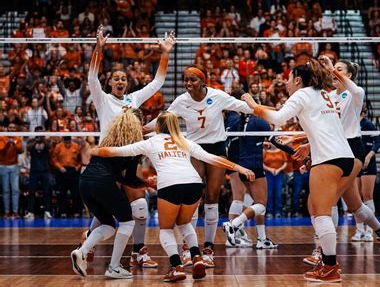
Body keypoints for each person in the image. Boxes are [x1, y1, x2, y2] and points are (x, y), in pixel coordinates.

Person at [91, 111, 255, 282]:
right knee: (184, 223)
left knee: (166, 229)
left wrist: (95, 150)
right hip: (194, 184)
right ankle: (196, 257)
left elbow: (118, 151)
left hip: (170, 184)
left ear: (157, 126)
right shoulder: (185, 142)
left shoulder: (151, 142)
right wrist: (239, 168)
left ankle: (176, 266)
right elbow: (213, 158)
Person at [241, 60, 357, 283]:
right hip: (343, 156)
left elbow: (277, 119)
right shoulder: (322, 93)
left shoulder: (302, 94)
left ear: (297, 79)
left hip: (329, 158)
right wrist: (307, 145)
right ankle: (326, 261)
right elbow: (324, 128)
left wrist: (252, 104)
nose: (285, 81)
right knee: (314, 207)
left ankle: (331, 267)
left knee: (321, 212)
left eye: (288, 77)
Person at [82, 25, 175, 267]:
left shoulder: (133, 99)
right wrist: (99, 49)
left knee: (141, 205)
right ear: (110, 82)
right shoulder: (103, 99)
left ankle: (138, 252)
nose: (120, 81)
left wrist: (165, 52)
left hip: (131, 156)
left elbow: (158, 82)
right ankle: (88, 241)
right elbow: (92, 77)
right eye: (116, 78)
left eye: (123, 78)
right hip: (108, 158)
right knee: (108, 207)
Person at [144, 64, 254, 268]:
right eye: (185, 79)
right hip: (194, 149)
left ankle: (209, 249)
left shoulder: (217, 96)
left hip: (216, 149)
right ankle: (188, 249)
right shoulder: (181, 101)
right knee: (194, 200)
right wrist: (141, 129)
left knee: (212, 198)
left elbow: (246, 108)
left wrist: (269, 109)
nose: (188, 83)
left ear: (203, 81)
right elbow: (162, 121)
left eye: (192, 79)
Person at [294, 57, 380, 265]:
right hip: (333, 149)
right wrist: (307, 144)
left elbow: (356, 90)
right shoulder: (329, 95)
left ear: (348, 75)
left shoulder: (353, 94)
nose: (333, 71)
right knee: (355, 205)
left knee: (323, 201)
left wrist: (333, 69)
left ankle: (321, 253)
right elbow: (326, 127)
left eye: (339, 69)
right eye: (333, 69)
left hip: (352, 150)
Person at [70, 109, 153, 279]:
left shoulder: (109, 139)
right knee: (128, 222)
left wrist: (144, 184)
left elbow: (117, 176)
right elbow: (129, 179)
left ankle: (82, 251)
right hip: (102, 183)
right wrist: (148, 183)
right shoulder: (135, 145)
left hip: (84, 181)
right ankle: (114, 267)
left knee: (107, 225)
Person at [223, 88, 278, 249]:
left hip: (236, 161)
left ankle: (260, 237)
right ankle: (234, 229)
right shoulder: (237, 118)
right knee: (243, 199)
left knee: (252, 201)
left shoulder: (230, 117)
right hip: (241, 162)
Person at [352, 107, 380, 241]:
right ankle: (359, 231)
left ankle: (369, 231)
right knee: (356, 199)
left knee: (367, 196)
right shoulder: (348, 123)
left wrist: (369, 156)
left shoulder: (367, 124)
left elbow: (378, 142)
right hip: (355, 162)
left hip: (368, 163)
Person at [24, 126, 53, 219]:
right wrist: (36, 140)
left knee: (46, 191)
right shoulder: (31, 141)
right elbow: (28, 148)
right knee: (31, 191)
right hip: (34, 171)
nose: (39, 134)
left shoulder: (47, 141)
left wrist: (43, 139)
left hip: (45, 170)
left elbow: (49, 147)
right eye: (38, 132)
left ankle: (47, 211)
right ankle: (30, 212)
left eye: (41, 132)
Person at [0, 123, 23, 219]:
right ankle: (6, 212)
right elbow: (1, 150)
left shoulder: (18, 138)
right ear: (7, 129)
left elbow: (20, 150)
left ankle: (15, 212)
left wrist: (13, 143)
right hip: (3, 166)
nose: (12, 129)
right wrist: (7, 144)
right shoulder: (2, 137)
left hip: (14, 166)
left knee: (15, 190)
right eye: (10, 127)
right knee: (5, 190)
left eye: (14, 127)